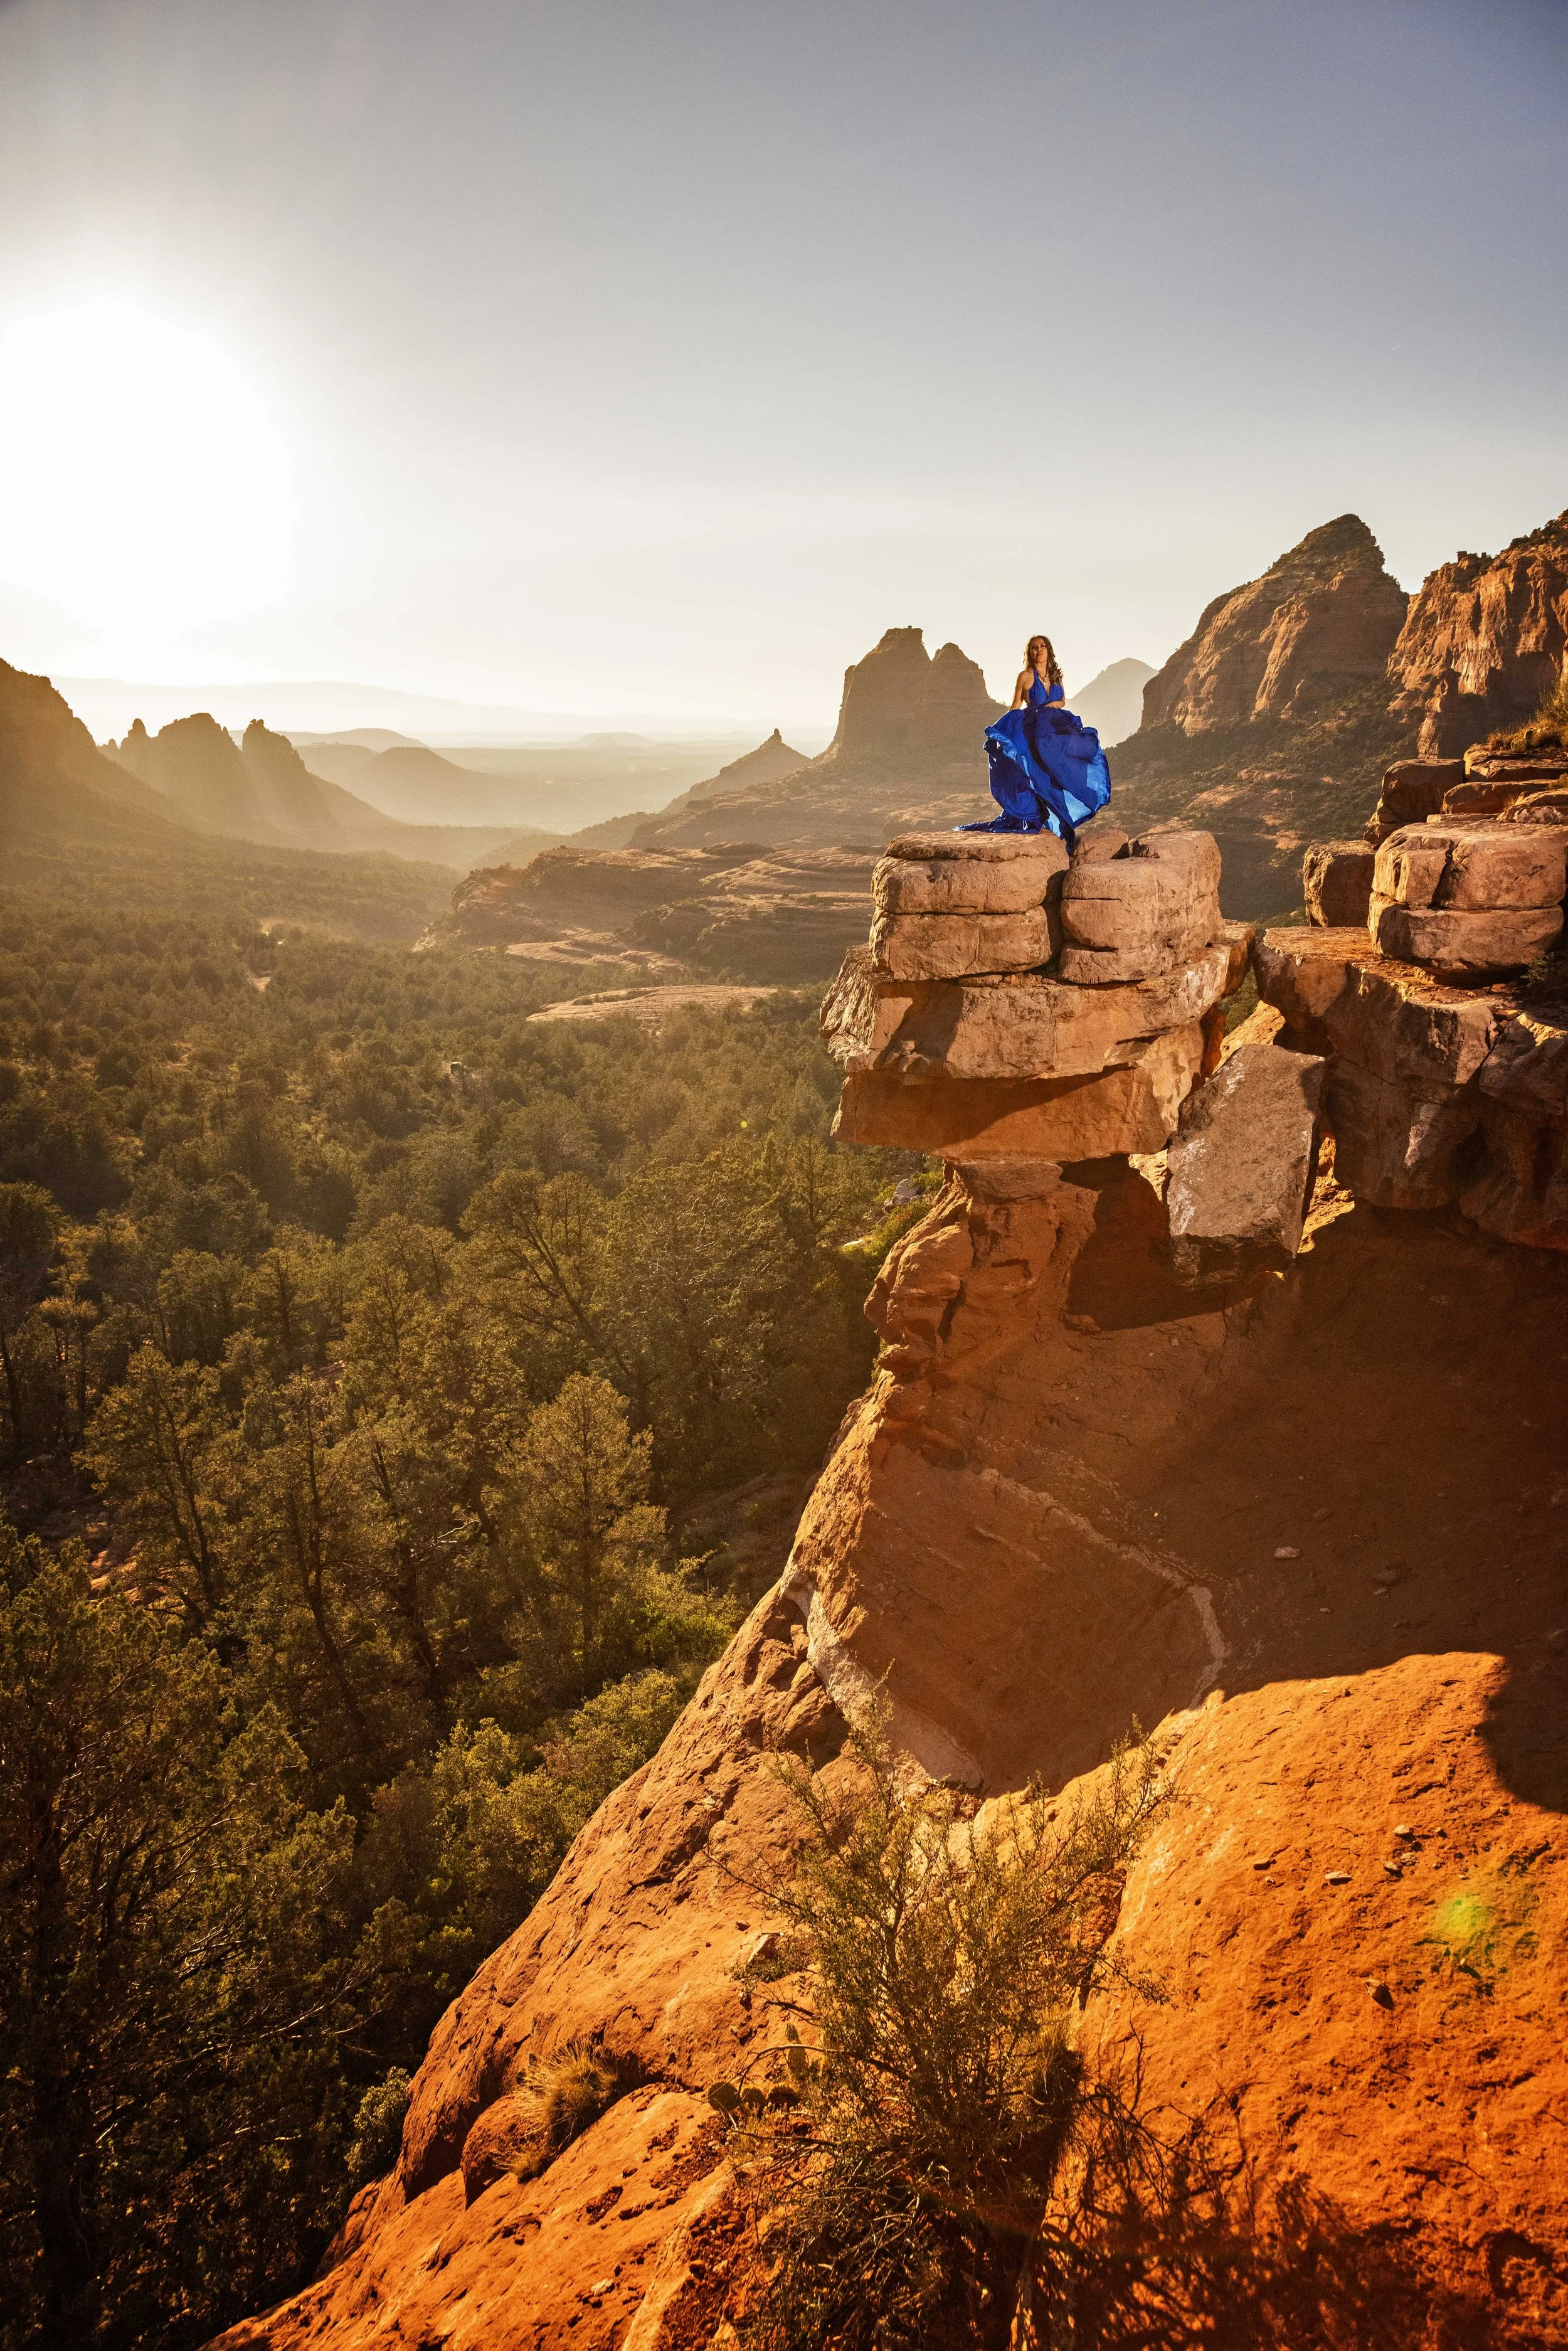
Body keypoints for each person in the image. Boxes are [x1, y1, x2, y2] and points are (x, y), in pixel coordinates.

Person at [958, 633, 1111, 847]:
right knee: (1035, 775)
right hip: (1034, 732)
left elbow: (1062, 700)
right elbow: (1015, 706)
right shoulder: (1025, 676)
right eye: (1034, 647)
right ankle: (1033, 818)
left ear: (1048, 650)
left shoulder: (1056, 675)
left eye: (1042, 646)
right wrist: (1002, 732)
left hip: (1054, 731)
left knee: (1062, 770)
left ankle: (1061, 817)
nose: (1038, 650)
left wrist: (1056, 706)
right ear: (1029, 652)